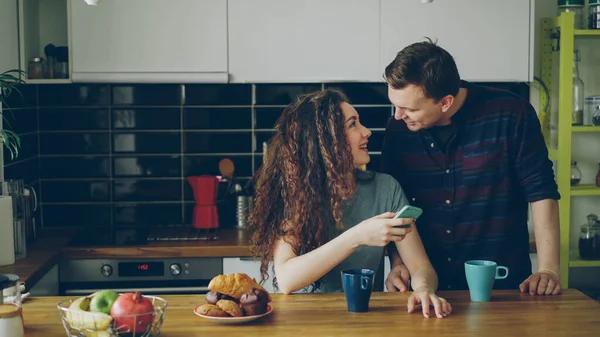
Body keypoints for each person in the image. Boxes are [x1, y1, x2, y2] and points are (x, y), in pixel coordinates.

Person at [249, 88, 452, 318]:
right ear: (325, 140)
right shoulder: (298, 194)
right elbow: (286, 279)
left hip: (365, 318)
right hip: (305, 319)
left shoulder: (386, 188)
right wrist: (357, 236)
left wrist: (423, 288)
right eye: (353, 124)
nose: (366, 132)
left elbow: (421, 266)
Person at [381, 39, 561, 296]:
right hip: (427, 289)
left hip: (502, 285)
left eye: (409, 108)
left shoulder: (512, 114)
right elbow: (393, 205)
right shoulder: (398, 130)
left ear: (445, 102)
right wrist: (398, 262)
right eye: (395, 105)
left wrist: (549, 270)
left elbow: (541, 192)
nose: (398, 116)